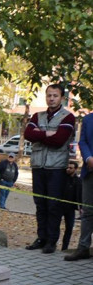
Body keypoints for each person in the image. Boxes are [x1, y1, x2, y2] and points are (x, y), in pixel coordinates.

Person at [23, 84, 76, 254]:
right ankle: (41, 237)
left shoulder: (68, 117)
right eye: (49, 95)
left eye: (55, 95)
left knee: (53, 205)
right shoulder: (38, 115)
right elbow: (28, 135)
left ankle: (51, 241)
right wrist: (48, 134)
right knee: (40, 204)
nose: (51, 98)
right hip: (38, 165)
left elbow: (60, 140)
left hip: (56, 167)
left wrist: (40, 134)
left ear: (62, 98)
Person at [66, 111, 93, 261]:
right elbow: (82, 142)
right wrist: (89, 158)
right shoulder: (88, 119)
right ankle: (83, 247)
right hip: (90, 172)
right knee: (87, 211)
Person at [59, 160, 82, 251]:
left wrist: (81, 207)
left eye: (71, 168)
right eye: (67, 167)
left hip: (70, 208)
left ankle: (64, 247)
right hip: (60, 206)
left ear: (75, 169)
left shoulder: (78, 181)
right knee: (55, 225)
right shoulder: (63, 178)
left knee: (69, 228)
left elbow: (79, 195)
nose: (68, 169)